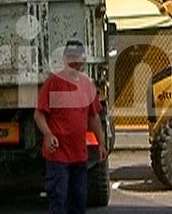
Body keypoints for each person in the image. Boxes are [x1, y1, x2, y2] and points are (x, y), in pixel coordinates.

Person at [34, 40, 107, 214]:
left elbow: (94, 116)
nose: (74, 62)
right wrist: (48, 134)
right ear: (65, 59)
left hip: (78, 156)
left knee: (79, 199)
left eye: (78, 58)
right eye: (71, 58)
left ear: (83, 60)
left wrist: (101, 143)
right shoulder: (53, 83)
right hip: (57, 156)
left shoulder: (87, 85)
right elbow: (39, 114)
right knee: (58, 199)